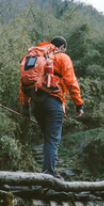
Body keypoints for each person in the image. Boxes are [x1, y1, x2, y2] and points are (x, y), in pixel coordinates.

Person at [19, 36, 84, 177]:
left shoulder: (34, 56)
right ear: (62, 47)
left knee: (49, 139)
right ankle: (48, 176)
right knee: (52, 140)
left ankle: (51, 169)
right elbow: (71, 82)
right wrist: (79, 105)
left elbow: (23, 84)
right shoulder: (61, 57)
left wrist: (25, 109)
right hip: (53, 101)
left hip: (35, 104)